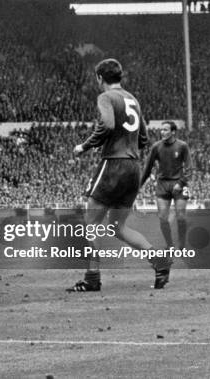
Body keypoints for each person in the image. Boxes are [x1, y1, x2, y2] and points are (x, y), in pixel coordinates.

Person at [68, 58, 171, 292]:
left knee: (90, 224)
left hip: (114, 164)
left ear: (100, 78)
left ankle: (92, 279)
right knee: (117, 226)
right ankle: (160, 261)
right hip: (134, 167)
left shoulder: (106, 97)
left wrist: (84, 146)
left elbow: (107, 124)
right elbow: (144, 138)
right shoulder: (133, 99)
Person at [141, 121, 192, 250]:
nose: (162, 132)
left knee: (181, 217)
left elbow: (189, 169)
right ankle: (170, 245)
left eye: (165, 129)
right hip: (162, 184)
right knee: (163, 218)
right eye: (161, 130)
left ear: (173, 132)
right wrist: (139, 185)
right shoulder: (156, 147)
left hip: (179, 184)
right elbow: (147, 169)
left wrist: (181, 183)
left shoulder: (182, 146)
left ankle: (182, 244)